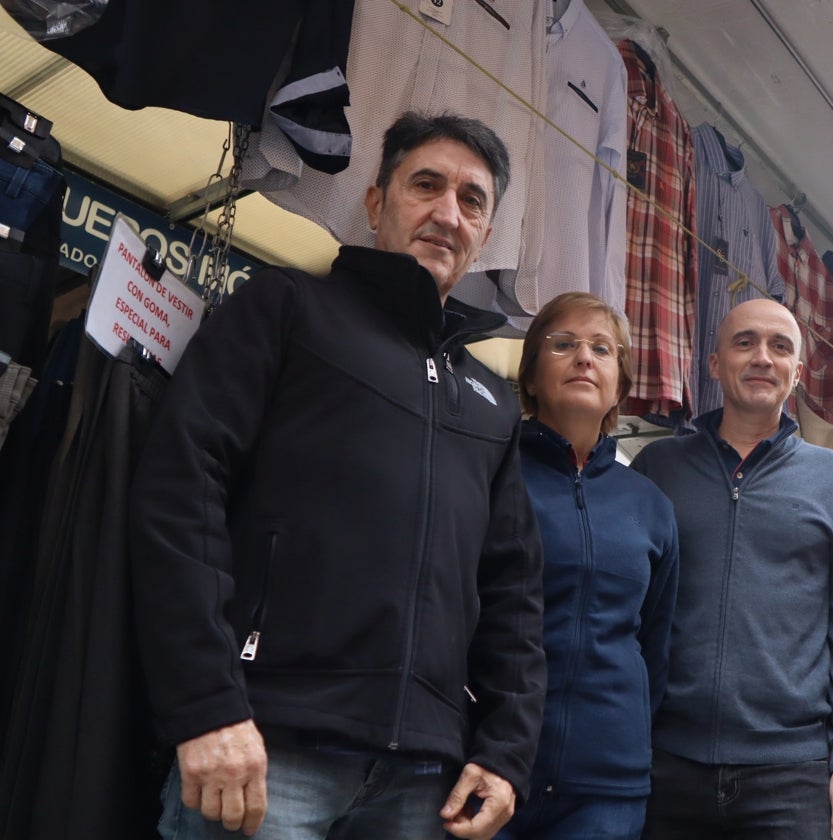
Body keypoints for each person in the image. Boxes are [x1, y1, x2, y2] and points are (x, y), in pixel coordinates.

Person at [130, 112, 546, 840]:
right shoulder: (287, 308)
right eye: (426, 185)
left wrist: (507, 752)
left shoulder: (491, 402)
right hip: (265, 746)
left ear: (484, 235)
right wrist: (206, 703)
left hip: (424, 784)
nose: (448, 214)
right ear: (378, 203)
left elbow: (514, 594)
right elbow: (181, 491)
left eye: (472, 201)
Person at [631, 298, 833, 840]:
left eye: (780, 346)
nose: (762, 357)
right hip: (666, 762)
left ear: (797, 371)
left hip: (793, 775)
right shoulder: (657, 469)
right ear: (714, 363)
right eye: (745, 343)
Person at [495, 291, 679, 840]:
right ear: (529, 377)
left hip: (606, 785)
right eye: (564, 344)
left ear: (619, 386)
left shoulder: (651, 505)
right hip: (491, 763)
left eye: (602, 349)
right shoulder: (489, 471)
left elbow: (656, 645)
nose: (584, 357)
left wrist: (626, 740)